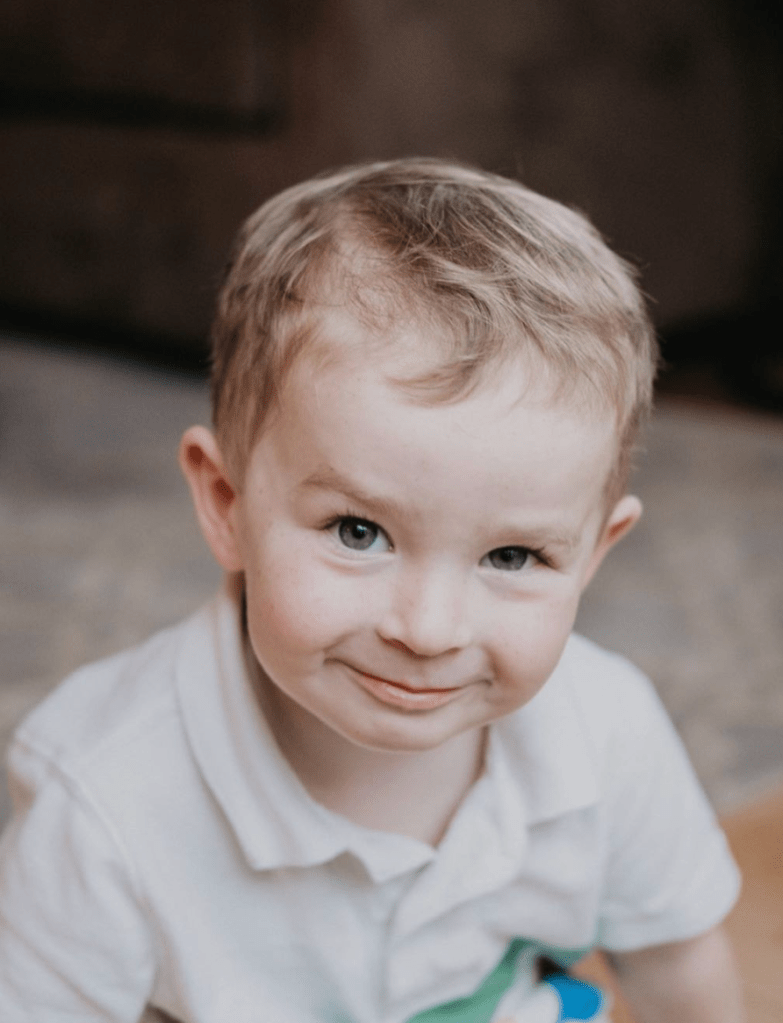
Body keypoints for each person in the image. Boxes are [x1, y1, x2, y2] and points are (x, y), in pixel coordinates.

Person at [0, 159, 745, 1023]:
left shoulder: (605, 727)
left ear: (592, 554)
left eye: (511, 555)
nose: (428, 629)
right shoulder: (102, 795)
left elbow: (678, 967)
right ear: (226, 502)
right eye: (358, 532)